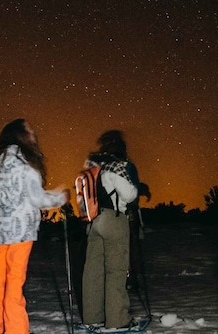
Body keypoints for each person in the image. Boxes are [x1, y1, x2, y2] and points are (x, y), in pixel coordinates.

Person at [0, 118, 67, 334]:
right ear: (20, 135)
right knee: (14, 283)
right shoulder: (26, 164)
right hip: (21, 232)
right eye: (30, 131)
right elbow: (37, 199)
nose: (34, 134)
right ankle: (16, 330)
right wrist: (59, 198)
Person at [81, 130, 140, 330]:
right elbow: (130, 195)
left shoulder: (92, 167)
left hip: (92, 222)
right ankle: (117, 320)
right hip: (113, 219)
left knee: (93, 271)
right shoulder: (116, 166)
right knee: (116, 271)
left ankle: (92, 317)